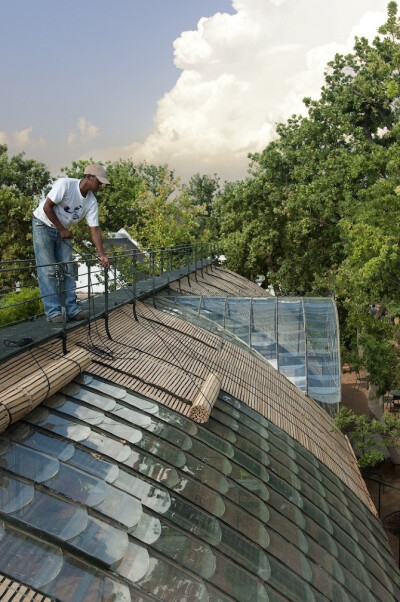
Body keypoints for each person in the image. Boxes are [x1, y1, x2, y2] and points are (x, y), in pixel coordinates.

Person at [32, 164, 110, 323]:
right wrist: (61, 229)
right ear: (89, 177)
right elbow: (47, 207)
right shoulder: (65, 185)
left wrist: (102, 255)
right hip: (43, 225)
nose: (100, 185)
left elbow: (94, 229)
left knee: (67, 269)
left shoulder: (91, 201)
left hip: (62, 230)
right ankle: (53, 313)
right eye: (99, 181)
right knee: (47, 270)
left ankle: (72, 310)